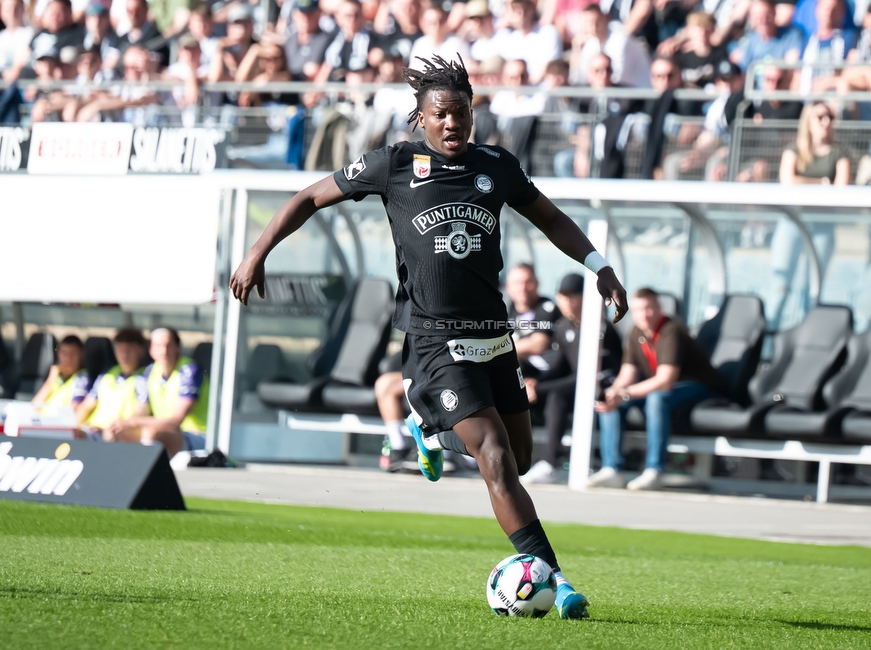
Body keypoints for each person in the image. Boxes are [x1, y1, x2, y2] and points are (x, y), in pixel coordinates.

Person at [229, 54, 628, 620]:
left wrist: (600, 267)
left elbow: (552, 218)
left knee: (519, 454)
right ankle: (554, 580)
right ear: (420, 117)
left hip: (494, 336)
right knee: (494, 458)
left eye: (461, 114)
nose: (452, 124)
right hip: (434, 343)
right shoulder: (392, 165)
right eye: (442, 115)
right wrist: (256, 252)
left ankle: (429, 429)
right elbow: (306, 199)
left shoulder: (496, 166)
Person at [591, 288, 724, 491]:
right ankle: (612, 469)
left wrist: (624, 393)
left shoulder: (671, 330)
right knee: (611, 402)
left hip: (699, 387)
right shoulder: (635, 332)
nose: (644, 315)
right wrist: (613, 393)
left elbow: (665, 380)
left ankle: (654, 470)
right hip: (667, 389)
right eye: (638, 310)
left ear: (659, 308)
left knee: (656, 398)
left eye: (648, 308)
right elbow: (628, 374)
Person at [521, 273, 622, 485]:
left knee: (556, 396)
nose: (566, 303)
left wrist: (540, 389)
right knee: (527, 393)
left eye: (572, 297)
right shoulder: (565, 326)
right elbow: (560, 367)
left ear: (585, 298)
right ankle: (517, 458)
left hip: (602, 388)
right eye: (562, 297)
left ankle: (549, 463)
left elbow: (587, 377)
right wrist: (535, 384)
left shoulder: (600, 328)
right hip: (575, 387)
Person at [766, 101, 849, 330]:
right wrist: (822, 183)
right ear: (808, 121)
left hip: (823, 225)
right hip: (792, 222)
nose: (826, 122)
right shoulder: (794, 150)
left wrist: (807, 185)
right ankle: (768, 343)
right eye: (820, 117)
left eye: (830, 117)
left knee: (812, 288)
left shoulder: (839, 152)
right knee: (780, 284)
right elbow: (787, 182)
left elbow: (841, 188)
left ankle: (806, 341)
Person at [111, 327, 210, 457]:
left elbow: (176, 420)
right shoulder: (149, 372)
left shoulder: (189, 370)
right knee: (116, 431)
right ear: (151, 350)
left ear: (177, 348)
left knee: (152, 434)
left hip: (198, 435)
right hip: (171, 433)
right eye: (158, 346)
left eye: (168, 346)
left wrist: (135, 422)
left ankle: (149, 474)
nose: (163, 351)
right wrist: (124, 423)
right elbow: (142, 410)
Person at [76, 327, 147, 438]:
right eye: (120, 349)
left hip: (118, 433)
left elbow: (141, 412)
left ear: (141, 351)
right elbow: (87, 405)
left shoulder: (144, 377)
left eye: (129, 350)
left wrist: (109, 429)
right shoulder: (107, 374)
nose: (124, 354)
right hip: (93, 429)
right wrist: (74, 426)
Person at [570, 3, 650, 88]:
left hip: (640, 93)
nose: (593, 27)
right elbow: (578, 78)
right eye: (589, 23)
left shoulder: (620, 38)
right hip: (617, 94)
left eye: (597, 22)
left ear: (606, 19)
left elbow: (615, 78)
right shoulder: (589, 42)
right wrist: (576, 51)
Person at [505, 263, 560, 381]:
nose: (523, 288)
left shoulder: (547, 308)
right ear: (508, 287)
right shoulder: (507, 311)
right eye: (518, 283)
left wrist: (498, 348)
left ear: (537, 283)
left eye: (528, 282)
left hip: (544, 377)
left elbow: (538, 345)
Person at [729, 0, 803, 71]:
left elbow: (791, 68)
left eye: (767, 16)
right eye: (758, 17)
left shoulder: (791, 36)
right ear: (750, 18)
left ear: (774, 12)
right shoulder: (750, 40)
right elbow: (743, 70)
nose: (763, 21)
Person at [31, 334, 91, 412]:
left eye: (73, 354)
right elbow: (33, 407)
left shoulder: (82, 378)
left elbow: (71, 412)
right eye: (64, 353)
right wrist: (50, 379)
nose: (68, 358)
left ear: (82, 355)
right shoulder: (56, 377)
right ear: (58, 354)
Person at [284, 0, 330, 81]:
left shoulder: (325, 39)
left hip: (308, 87)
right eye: (302, 14)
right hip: (288, 87)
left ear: (318, 14)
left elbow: (314, 71)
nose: (306, 18)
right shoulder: (290, 39)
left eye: (310, 13)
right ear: (295, 15)